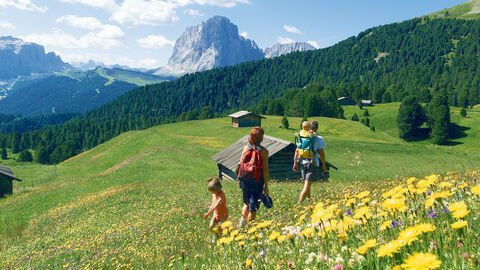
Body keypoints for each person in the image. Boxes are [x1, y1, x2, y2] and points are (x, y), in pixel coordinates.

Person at [237, 127, 269, 228]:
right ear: (261, 138)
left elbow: (240, 164)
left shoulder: (246, 148)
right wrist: (266, 185)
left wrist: (239, 178)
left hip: (245, 181)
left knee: (246, 203)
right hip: (257, 181)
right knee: (253, 207)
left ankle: (241, 225)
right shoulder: (264, 152)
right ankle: (249, 229)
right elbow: (265, 170)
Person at [293, 120, 326, 204]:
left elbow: (297, 151)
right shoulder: (318, 139)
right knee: (307, 185)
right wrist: (324, 165)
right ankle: (299, 203)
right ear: (317, 128)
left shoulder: (302, 137)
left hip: (302, 162)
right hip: (312, 163)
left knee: (307, 184)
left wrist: (295, 163)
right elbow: (321, 153)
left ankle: (309, 201)